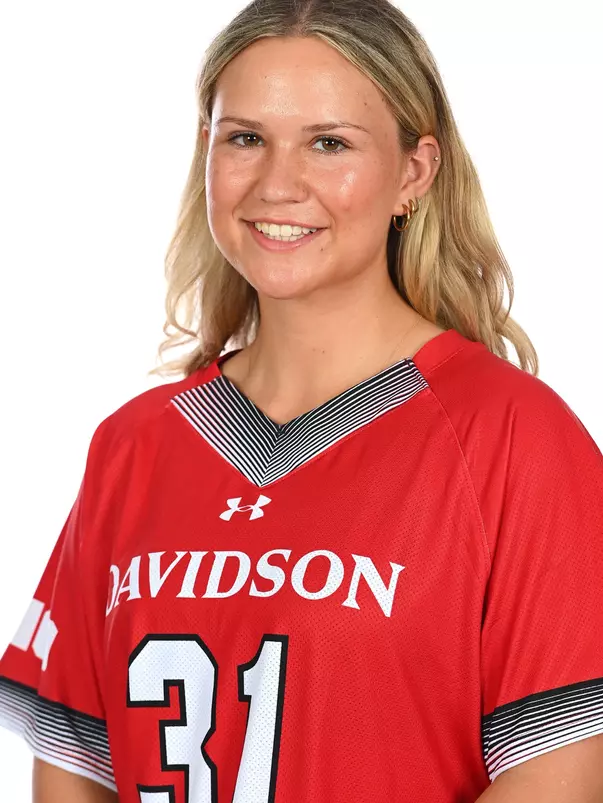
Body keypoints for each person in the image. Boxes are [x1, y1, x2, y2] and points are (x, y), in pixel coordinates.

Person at [1, 0, 603, 800]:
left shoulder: (512, 437)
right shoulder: (134, 444)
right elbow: (74, 771)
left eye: (328, 143)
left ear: (413, 174)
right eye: (244, 138)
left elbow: (557, 779)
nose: (277, 184)